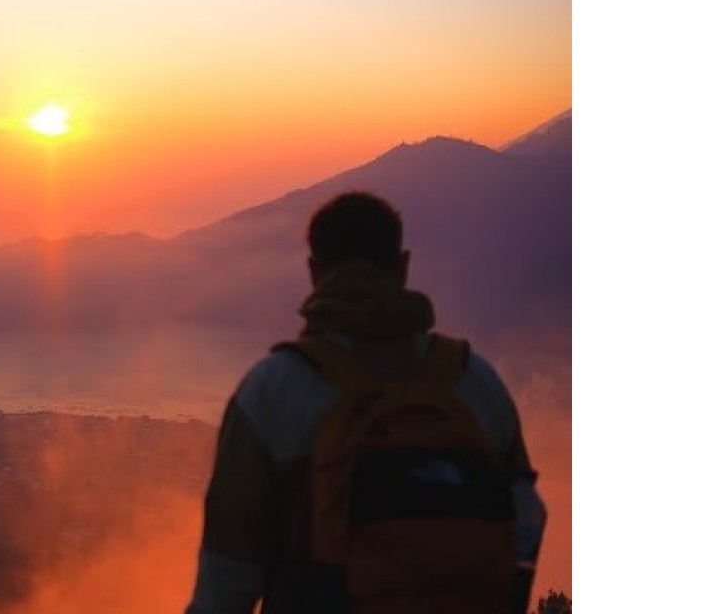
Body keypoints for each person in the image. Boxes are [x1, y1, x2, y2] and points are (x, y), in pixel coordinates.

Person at [185, 191, 546, 614]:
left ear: (314, 272)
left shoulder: (273, 393)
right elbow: (524, 528)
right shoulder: (478, 385)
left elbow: (227, 585)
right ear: (403, 267)